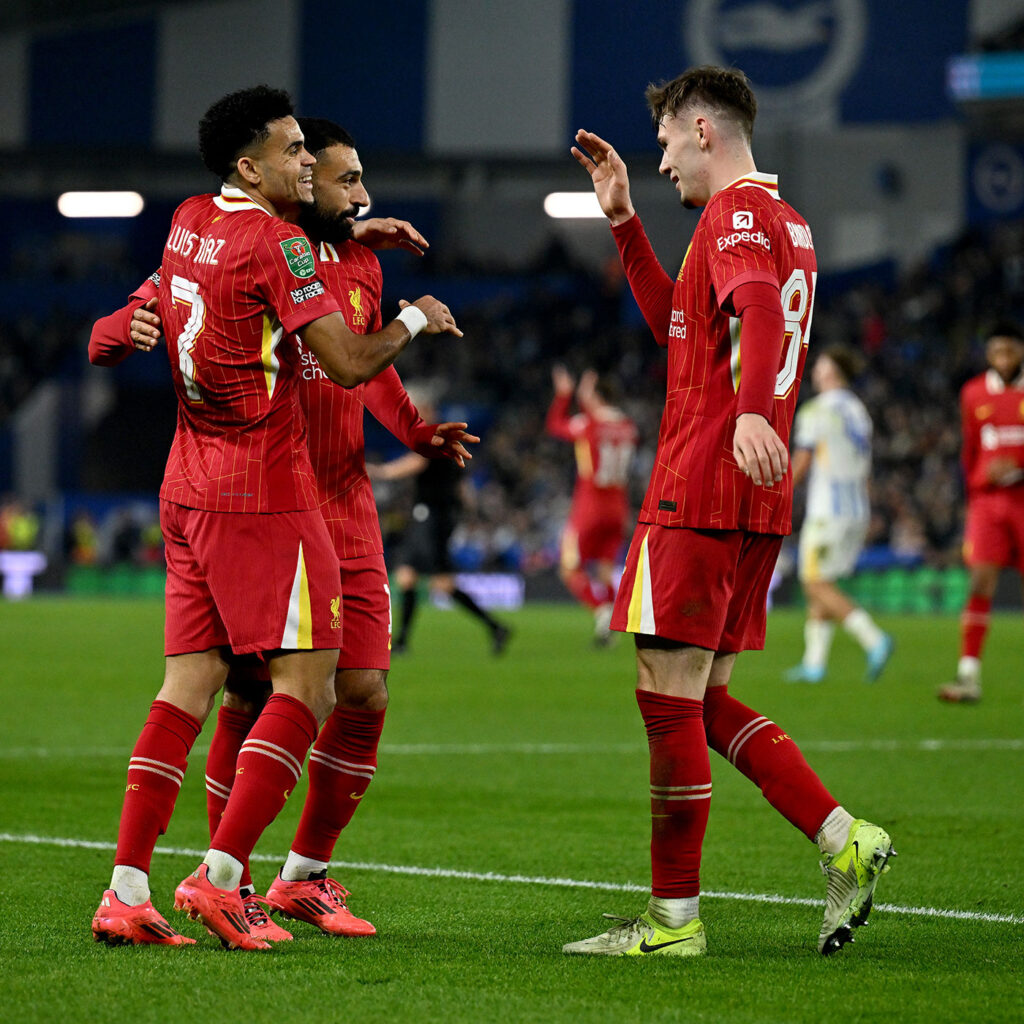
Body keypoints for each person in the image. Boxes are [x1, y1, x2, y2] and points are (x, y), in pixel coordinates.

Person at [90, 86, 461, 951]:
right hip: (265, 490)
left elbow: (134, 315)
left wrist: (118, 328)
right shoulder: (277, 244)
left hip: (193, 482)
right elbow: (349, 360)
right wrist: (414, 317)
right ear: (251, 166)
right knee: (302, 686)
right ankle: (223, 880)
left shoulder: (190, 219)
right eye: (297, 152)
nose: (308, 163)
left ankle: (127, 890)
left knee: (194, 685)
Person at [563, 66, 894, 959]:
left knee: (665, 696)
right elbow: (680, 324)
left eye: (667, 142)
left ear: (702, 129)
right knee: (704, 700)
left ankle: (673, 923)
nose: (662, 161)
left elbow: (754, 307)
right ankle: (843, 840)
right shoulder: (787, 221)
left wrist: (748, 412)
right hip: (754, 497)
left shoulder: (735, 214)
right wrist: (624, 220)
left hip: (702, 483)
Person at [368, 388, 511, 656]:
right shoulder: (443, 435)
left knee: (440, 582)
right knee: (406, 577)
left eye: (415, 407)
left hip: (432, 516)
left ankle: (496, 627)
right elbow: (461, 483)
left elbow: (418, 463)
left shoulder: (434, 435)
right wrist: (466, 507)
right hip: (430, 515)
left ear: (427, 408)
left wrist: (381, 471)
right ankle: (402, 641)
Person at [783, 346, 894, 683]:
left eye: (819, 365)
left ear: (831, 371)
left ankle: (873, 638)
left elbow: (803, 460)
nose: (814, 369)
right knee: (822, 582)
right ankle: (814, 663)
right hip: (856, 508)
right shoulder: (858, 410)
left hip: (828, 510)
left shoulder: (817, 410)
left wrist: (778, 494)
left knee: (814, 582)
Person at [939, 321, 1024, 703]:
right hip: (987, 503)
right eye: (996, 351)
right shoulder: (973, 393)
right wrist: (977, 483)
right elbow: (970, 449)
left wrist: (1017, 465)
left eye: (1010, 350)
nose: (1003, 358)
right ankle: (968, 676)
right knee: (979, 583)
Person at [546, 365, 638, 645]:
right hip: (618, 508)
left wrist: (564, 394)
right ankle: (610, 627)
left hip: (590, 507)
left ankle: (602, 611)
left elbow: (555, 424)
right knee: (605, 570)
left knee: (569, 568)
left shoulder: (589, 424)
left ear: (595, 396)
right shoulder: (628, 426)